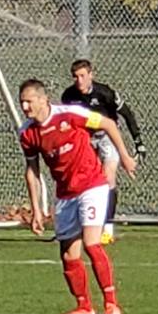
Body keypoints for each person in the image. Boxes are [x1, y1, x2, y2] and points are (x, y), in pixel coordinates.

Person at [17, 79, 138, 314]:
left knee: (92, 243)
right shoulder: (27, 132)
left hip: (92, 185)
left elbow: (107, 123)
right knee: (68, 254)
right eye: (22, 103)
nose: (25, 107)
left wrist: (124, 156)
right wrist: (37, 210)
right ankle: (84, 308)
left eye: (29, 101)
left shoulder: (70, 115)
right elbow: (32, 171)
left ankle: (111, 305)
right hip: (65, 194)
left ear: (43, 99)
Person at [61, 59, 145, 244]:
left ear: (91, 75)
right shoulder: (68, 96)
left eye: (83, 76)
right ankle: (82, 224)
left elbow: (127, 114)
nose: (79, 81)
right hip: (85, 138)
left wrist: (138, 142)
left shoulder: (105, 93)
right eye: (75, 77)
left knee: (108, 178)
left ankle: (107, 228)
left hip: (107, 135)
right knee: (85, 179)